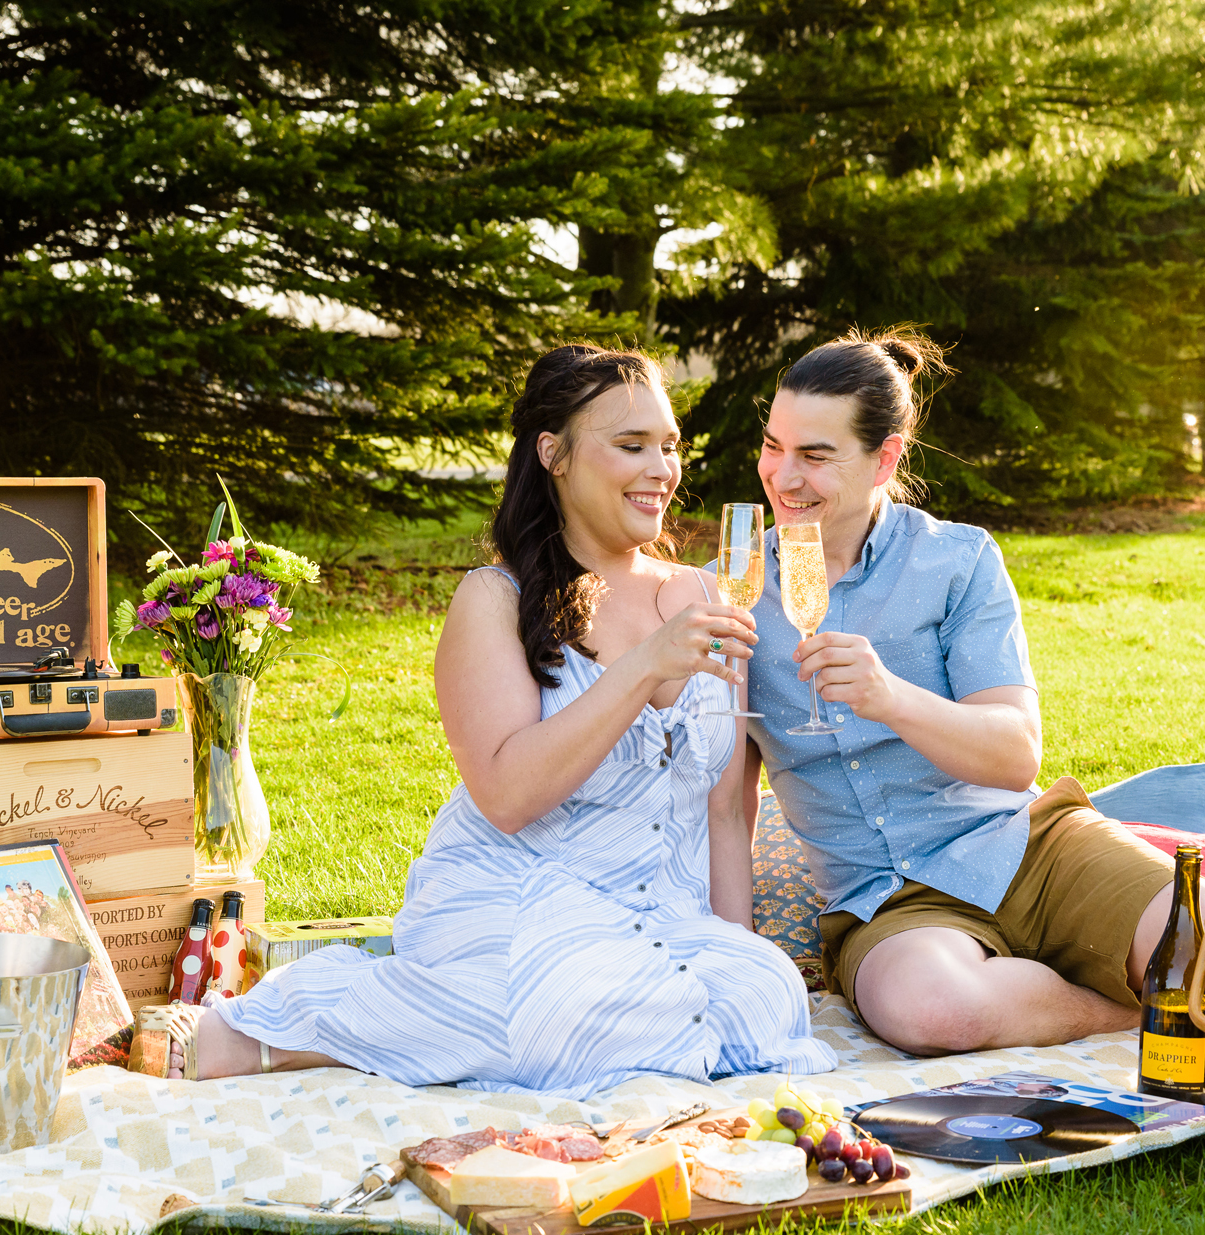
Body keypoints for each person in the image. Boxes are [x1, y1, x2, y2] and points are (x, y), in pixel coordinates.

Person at [133, 345, 835, 1096]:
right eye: (632, 446)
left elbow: (727, 808)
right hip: (518, 894)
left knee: (769, 997)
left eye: (669, 446)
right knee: (568, 1008)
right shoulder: (494, 598)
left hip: (662, 916)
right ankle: (277, 1029)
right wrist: (643, 668)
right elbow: (505, 794)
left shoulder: (707, 589)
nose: (662, 468)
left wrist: (732, 948)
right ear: (553, 454)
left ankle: (478, 1026)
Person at [730, 329, 1205, 1056]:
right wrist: (733, 952)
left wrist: (891, 698)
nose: (783, 476)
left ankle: (1127, 973)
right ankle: (1127, 1008)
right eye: (774, 446)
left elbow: (1014, 753)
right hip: (886, 901)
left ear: (886, 459)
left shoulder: (955, 558)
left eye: (815, 455)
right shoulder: (738, 587)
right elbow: (728, 796)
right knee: (934, 1012)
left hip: (1026, 848)